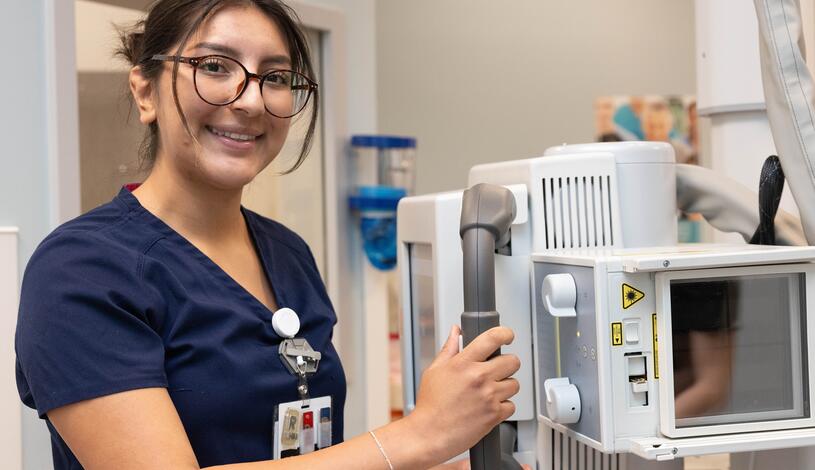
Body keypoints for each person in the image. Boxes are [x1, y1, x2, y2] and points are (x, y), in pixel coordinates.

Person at [14, 1, 522, 469]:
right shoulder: (83, 270)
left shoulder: (287, 252)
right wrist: (419, 435)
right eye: (214, 66)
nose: (253, 100)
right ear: (145, 91)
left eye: (275, 76)